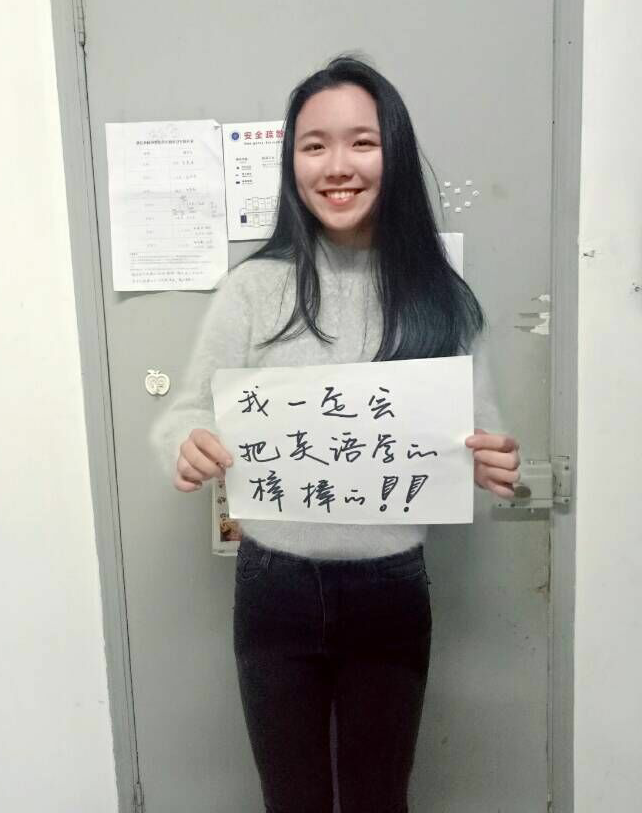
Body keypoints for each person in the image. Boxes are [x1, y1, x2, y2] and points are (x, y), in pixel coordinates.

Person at [154, 56, 521, 813]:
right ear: (291, 164)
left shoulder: (441, 298)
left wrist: (495, 462)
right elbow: (188, 412)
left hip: (391, 586)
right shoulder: (255, 288)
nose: (337, 166)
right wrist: (186, 444)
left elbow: (483, 436)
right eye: (314, 145)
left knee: (379, 797)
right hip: (274, 584)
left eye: (362, 142)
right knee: (290, 798)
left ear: (394, 151)